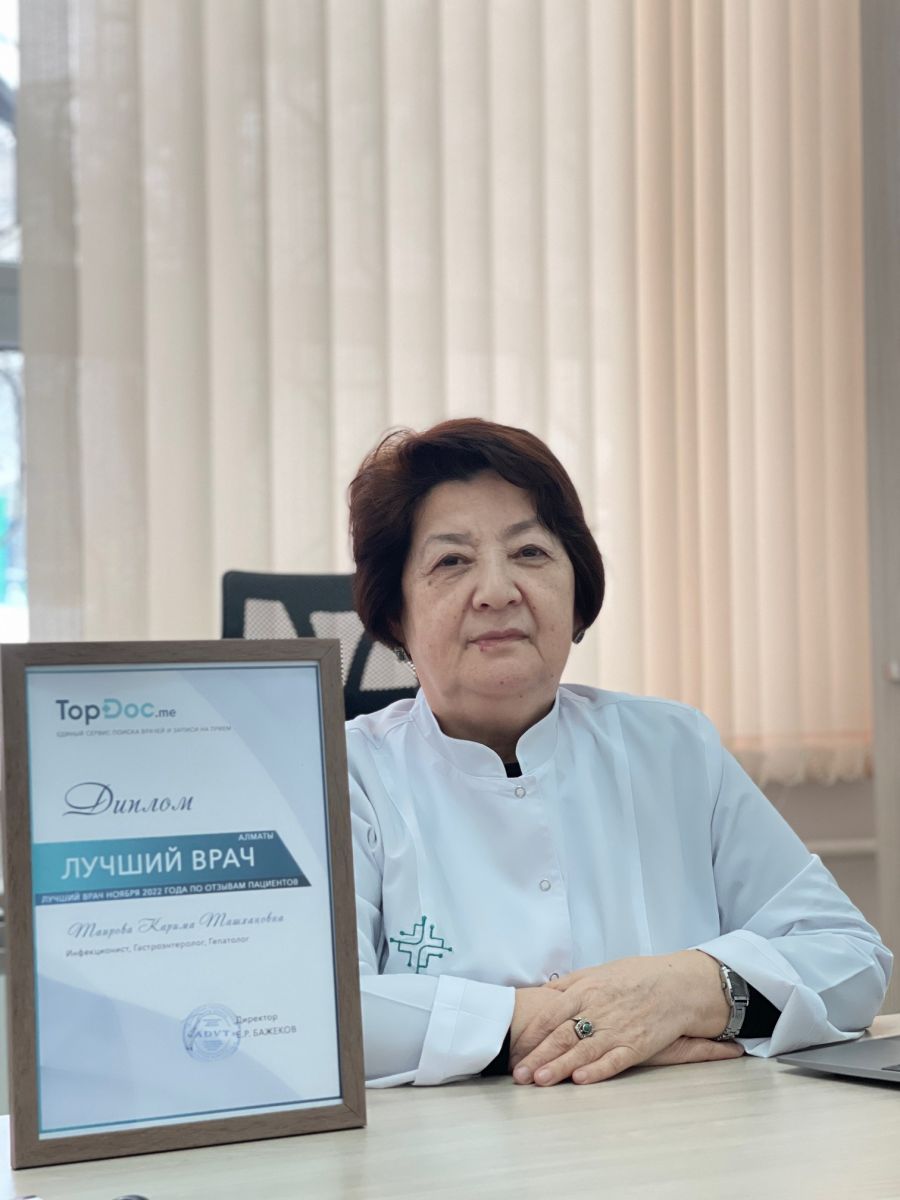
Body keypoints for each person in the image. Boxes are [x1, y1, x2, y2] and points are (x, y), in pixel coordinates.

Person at [346, 418, 892, 1088]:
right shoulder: (345, 774)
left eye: (530, 552)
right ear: (395, 615)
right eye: (451, 562)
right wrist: (548, 1023)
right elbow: (312, 1014)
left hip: (679, 1136)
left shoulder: (673, 748)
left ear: (577, 594)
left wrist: (685, 991)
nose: (497, 590)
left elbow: (853, 962)